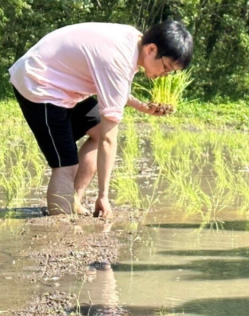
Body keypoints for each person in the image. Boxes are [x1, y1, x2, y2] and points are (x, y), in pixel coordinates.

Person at [10, 20, 193, 219]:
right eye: (165, 67)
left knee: (96, 129)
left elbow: (114, 87)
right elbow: (109, 139)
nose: (164, 75)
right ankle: (58, 227)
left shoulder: (132, 41)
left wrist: (141, 106)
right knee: (65, 164)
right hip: (39, 83)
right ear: (151, 49)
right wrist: (103, 196)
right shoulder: (118, 59)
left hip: (62, 84)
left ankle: (74, 201)